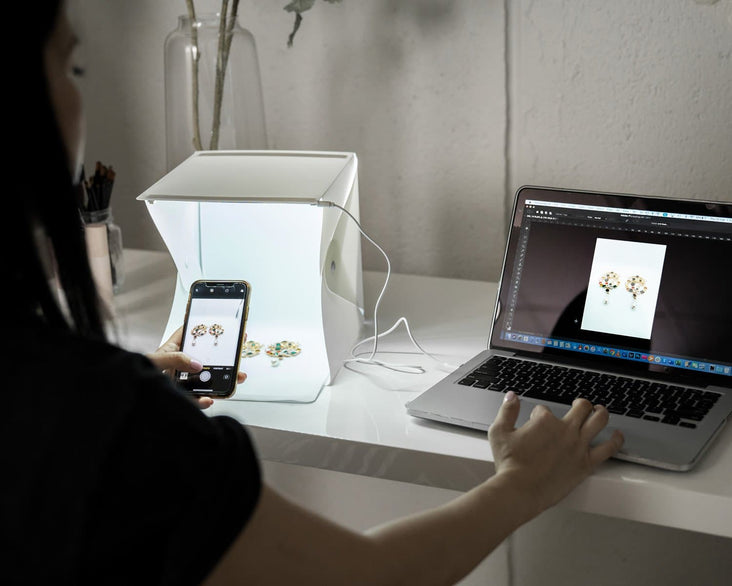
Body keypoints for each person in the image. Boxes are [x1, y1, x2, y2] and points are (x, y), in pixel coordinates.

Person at [3, 1, 624, 583]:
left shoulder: (74, 400)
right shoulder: (105, 418)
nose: (79, 95)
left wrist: (128, 389)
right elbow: (366, 575)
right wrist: (522, 484)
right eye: (69, 67)